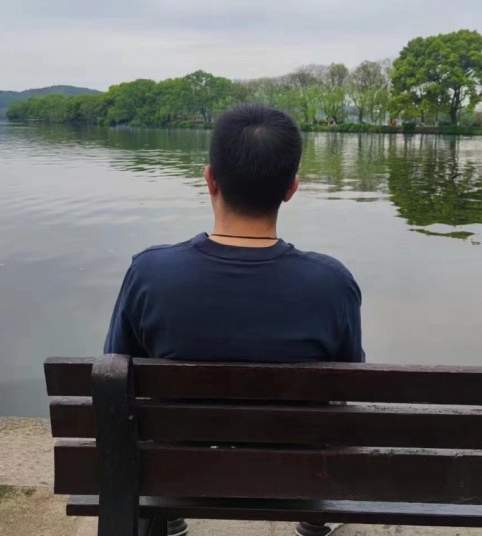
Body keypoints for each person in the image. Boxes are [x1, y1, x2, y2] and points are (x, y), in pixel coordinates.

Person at [104, 103, 364, 536]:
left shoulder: (150, 272)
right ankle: (314, 520)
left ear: (210, 179)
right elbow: (349, 383)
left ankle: (167, 515)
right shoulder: (332, 282)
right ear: (292, 188)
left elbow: (115, 370)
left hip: (175, 470)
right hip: (297, 473)